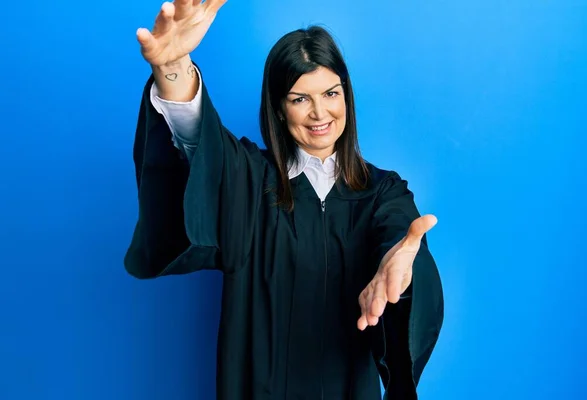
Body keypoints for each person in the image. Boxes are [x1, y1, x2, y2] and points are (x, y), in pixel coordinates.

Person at [124, 0, 444, 399]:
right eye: (299, 99)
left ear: (346, 96)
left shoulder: (381, 193)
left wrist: (401, 267)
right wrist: (173, 69)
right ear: (278, 107)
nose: (319, 113)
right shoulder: (249, 182)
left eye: (331, 93)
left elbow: (399, 236)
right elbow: (201, 145)